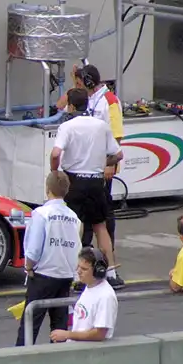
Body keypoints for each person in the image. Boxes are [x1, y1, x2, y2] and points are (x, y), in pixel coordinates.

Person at [50, 88, 125, 290]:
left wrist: (54, 172)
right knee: (100, 226)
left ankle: (77, 275)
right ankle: (111, 273)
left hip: (74, 180)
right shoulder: (101, 126)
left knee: (75, 226)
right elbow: (118, 155)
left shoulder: (67, 126)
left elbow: (56, 153)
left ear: (71, 106)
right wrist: (102, 161)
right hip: (95, 180)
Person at [72, 64, 125, 285]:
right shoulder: (91, 98)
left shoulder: (110, 101)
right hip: (91, 169)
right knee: (88, 219)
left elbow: (117, 135)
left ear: (88, 82)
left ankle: (106, 261)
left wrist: (108, 165)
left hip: (103, 168)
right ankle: (86, 261)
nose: (77, 86)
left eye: (78, 82)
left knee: (103, 219)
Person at [16, 171, 82, 346]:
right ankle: (58, 361)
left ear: (47, 190)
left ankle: (21, 361)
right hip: (65, 276)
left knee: (30, 325)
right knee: (59, 326)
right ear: (66, 190)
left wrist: (29, 267)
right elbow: (77, 248)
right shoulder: (75, 218)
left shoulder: (41, 214)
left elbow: (34, 249)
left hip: (43, 275)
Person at [50, 247, 118, 343]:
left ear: (98, 271)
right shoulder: (90, 287)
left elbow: (99, 334)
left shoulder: (105, 296)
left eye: (84, 269)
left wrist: (67, 335)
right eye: (78, 267)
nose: (78, 271)